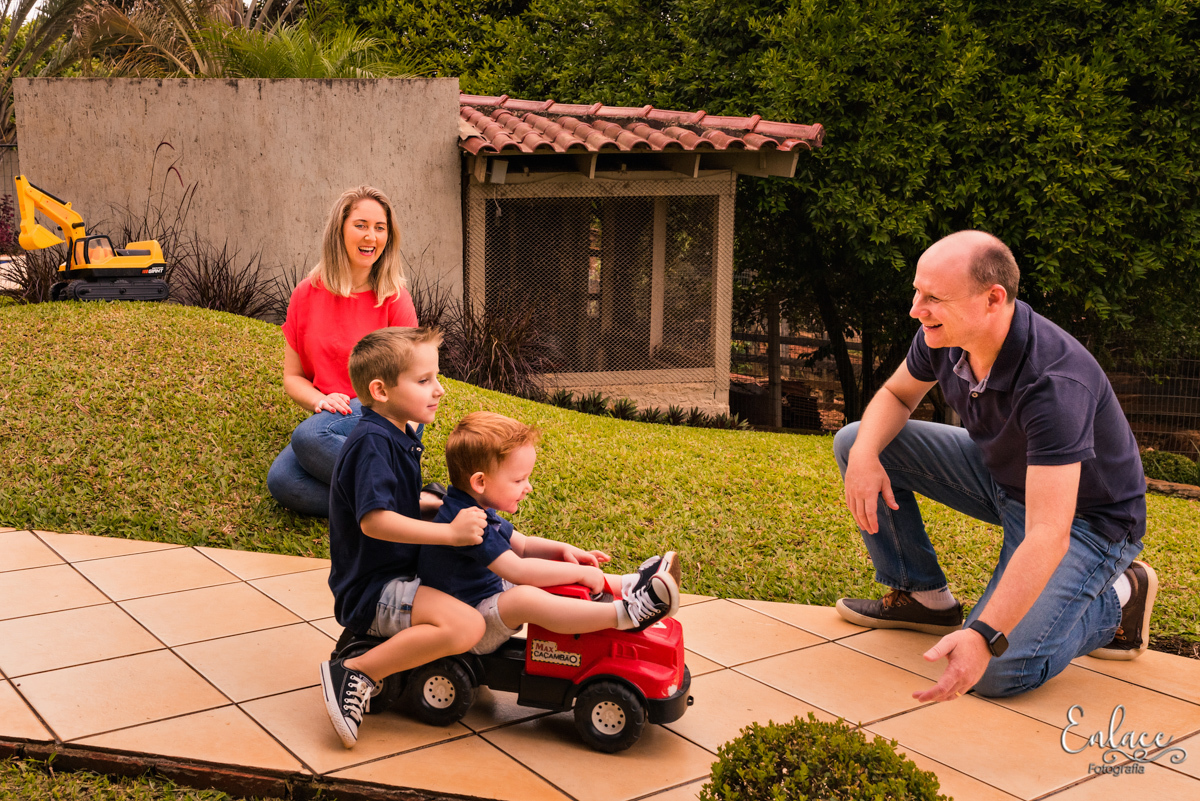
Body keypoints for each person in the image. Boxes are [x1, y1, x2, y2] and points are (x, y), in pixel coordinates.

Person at [833, 230, 1153, 703]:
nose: (916, 309)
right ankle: (923, 597)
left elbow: (1048, 531)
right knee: (858, 438)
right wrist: (863, 457)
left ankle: (1120, 597)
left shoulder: (1054, 383)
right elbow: (898, 395)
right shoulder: (942, 337)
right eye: (917, 292)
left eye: (934, 297)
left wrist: (983, 635)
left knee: (995, 671)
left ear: (993, 299)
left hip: (1088, 522)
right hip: (1004, 478)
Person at [319, 327, 486, 749]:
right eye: (424, 380)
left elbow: (392, 500)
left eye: (436, 377)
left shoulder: (394, 434)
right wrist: (448, 533)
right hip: (374, 589)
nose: (440, 390)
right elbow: (375, 521)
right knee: (467, 625)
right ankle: (357, 671)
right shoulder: (373, 442)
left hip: (396, 574)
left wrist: (426, 503)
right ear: (380, 390)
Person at [419, 411, 682, 655]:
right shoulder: (468, 522)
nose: (529, 487)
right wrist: (580, 572)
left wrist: (564, 551)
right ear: (480, 482)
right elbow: (519, 570)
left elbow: (522, 545)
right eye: (519, 480)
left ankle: (629, 584)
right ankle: (627, 614)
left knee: (555, 566)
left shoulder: (471, 504)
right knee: (526, 598)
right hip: (469, 624)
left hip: (486, 595)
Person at [267, 185, 419, 517]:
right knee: (283, 479)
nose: (371, 237)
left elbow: (413, 381)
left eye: (380, 228)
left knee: (308, 437)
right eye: (361, 225)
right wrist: (318, 401)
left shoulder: (394, 298)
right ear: (340, 229)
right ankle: (400, 504)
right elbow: (293, 377)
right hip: (333, 416)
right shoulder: (305, 295)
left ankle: (400, 488)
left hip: (389, 410)